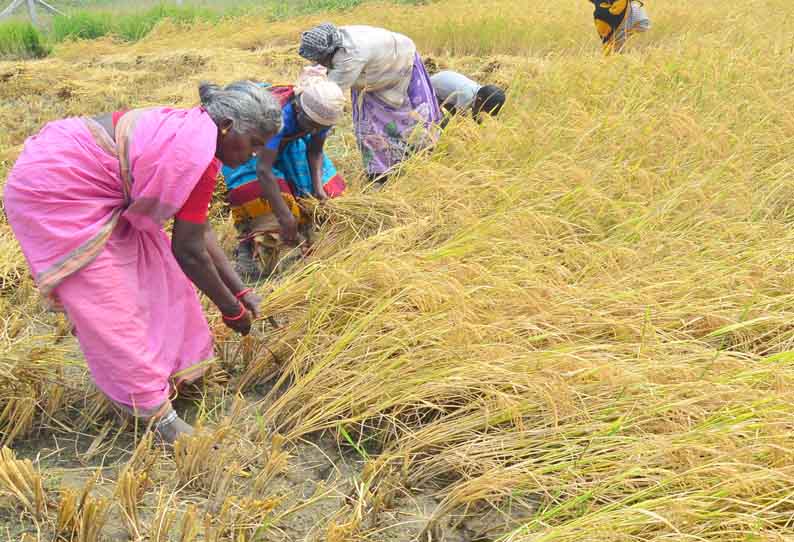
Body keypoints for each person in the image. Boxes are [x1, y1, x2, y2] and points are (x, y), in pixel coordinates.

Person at [3, 81, 283, 444]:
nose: (254, 154)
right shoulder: (192, 148)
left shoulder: (197, 137)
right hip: (56, 191)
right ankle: (158, 417)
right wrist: (232, 312)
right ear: (227, 126)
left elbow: (200, 230)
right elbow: (189, 251)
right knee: (112, 306)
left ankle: (175, 372)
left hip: (91, 184)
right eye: (254, 143)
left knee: (158, 276)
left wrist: (241, 290)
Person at [222, 68, 347, 280]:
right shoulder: (277, 116)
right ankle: (249, 249)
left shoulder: (321, 116)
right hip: (250, 146)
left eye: (321, 128)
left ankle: (303, 238)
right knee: (262, 202)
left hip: (286, 142)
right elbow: (263, 169)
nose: (316, 131)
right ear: (299, 110)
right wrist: (285, 216)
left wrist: (318, 192)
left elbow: (315, 151)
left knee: (324, 190)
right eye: (313, 126)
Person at [298, 23, 442, 185]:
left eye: (319, 59)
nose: (317, 62)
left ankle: (389, 173)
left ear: (329, 53)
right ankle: (381, 168)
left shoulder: (351, 58)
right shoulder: (335, 39)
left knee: (407, 119)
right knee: (369, 121)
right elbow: (322, 68)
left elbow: (328, 96)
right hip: (375, 67)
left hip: (401, 62)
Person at [430, 70, 506, 121]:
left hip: (445, 85)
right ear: (479, 100)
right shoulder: (467, 95)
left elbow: (475, 111)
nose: (483, 113)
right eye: (483, 110)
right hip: (430, 90)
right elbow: (460, 120)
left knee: (454, 113)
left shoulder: (480, 91)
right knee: (442, 123)